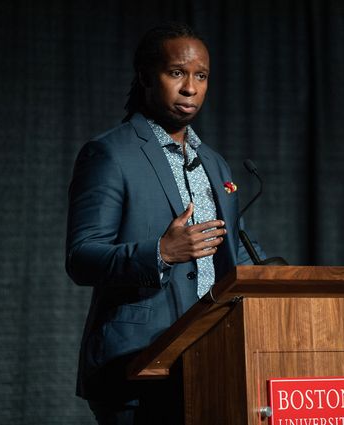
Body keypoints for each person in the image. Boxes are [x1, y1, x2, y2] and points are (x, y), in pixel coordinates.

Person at [65, 22, 265, 424]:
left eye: (201, 76)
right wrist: (161, 253)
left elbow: (231, 249)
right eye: (176, 73)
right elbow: (81, 257)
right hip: (137, 364)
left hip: (211, 359)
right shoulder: (109, 154)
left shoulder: (214, 162)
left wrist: (273, 277)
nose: (190, 87)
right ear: (145, 77)